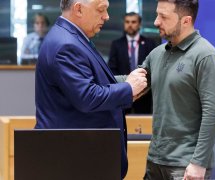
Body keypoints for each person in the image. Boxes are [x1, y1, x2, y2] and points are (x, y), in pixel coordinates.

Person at [35, 0, 147, 179]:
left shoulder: (71, 37)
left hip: (79, 156)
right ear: (79, 9)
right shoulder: (66, 45)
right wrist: (128, 88)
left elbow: (93, 81)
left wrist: (127, 81)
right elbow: (87, 96)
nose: (107, 16)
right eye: (101, 10)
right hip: (74, 160)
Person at [140, 0, 215, 179]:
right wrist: (90, 79)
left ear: (186, 21)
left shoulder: (207, 56)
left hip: (186, 165)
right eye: (157, 14)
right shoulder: (156, 54)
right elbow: (133, 83)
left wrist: (199, 163)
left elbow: (213, 114)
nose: (156, 21)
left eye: (163, 16)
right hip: (155, 161)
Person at [108, 12, 157, 114]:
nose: (130, 24)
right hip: (123, 91)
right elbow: (112, 68)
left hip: (145, 94)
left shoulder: (150, 43)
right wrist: (122, 86)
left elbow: (153, 68)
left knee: (144, 126)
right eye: (127, 22)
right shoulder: (116, 44)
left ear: (139, 24)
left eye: (133, 22)